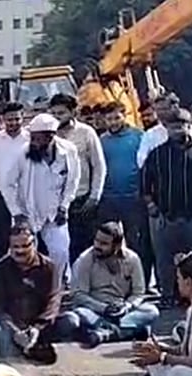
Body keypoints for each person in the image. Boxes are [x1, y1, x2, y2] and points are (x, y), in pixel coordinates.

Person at [142, 108, 192, 307]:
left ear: (189, 126)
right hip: (165, 214)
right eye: (174, 126)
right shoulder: (156, 154)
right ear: (166, 128)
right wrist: (151, 206)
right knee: (165, 260)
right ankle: (167, 295)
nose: (178, 130)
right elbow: (145, 183)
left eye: (182, 125)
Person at [5, 113, 81, 284]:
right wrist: (17, 213)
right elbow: (7, 185)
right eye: (33, 138)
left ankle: (59, 285)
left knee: (60, 252)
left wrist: (65, 206)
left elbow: (73, 181)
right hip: (28, 212)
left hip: (56, 211)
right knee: (24, 252)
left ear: (51, 137)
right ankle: (27, 286)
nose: (35, 143)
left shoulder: (68, 151)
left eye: (39, 139)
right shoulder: (22, 153)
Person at [0, 224, 78, 364]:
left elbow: (53, 300)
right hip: (11, 326)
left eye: (25, 246)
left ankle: (34, 344)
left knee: (71, 320)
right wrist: (15, 331)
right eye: (15, 247)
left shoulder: (49, 267)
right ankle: (25, 347)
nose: (20, 251)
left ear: (34, 244)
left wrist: (37, 328)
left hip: (40, 325)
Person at [67, 222, 158, 347]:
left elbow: (138, 293)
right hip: (96, 311)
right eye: (97, 241)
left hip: (122, 313)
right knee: (79, 314)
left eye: (104, 244)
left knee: (151, 311)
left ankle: (106, 333)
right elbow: (79, 295)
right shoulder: (85, 259)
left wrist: (127, 306)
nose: (97, 246)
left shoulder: (132, 259)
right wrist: (103, 307)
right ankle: (126, 331)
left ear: (117, 245)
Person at [98, 102, 152, 286]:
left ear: (124, 115)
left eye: (116, 117)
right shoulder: (101, 141)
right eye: (108, 119)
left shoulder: (139, 136)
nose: (112, 122)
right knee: (108, 243)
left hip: (134, 199)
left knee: (138, 244)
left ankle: (141, 282)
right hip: (108, 199)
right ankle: (109, 282)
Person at [48, 93, 107, 260]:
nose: (57, 118)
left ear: (73, 112)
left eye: (61, 113)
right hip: (56, 201)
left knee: (84, 248)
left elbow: (99, 166)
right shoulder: (49, 135)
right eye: (54, 114)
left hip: (82, 199)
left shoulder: (86, 132)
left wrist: (94, 196)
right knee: (59, 248)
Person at [0, 102, 29, 258]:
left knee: (25, 233)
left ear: (23, 117)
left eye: (16, 119)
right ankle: (1, 268)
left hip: (24, 193)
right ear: (3, 119)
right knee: (0, 235)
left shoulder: (30, 138)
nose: (13, 123)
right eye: (9, 120)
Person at [137, 93, 192, 168]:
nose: (160, 113)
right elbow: (141, 160)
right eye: (157, 110)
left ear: (175, 107)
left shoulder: (191, 130)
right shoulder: (150, 134)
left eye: (163, 109)